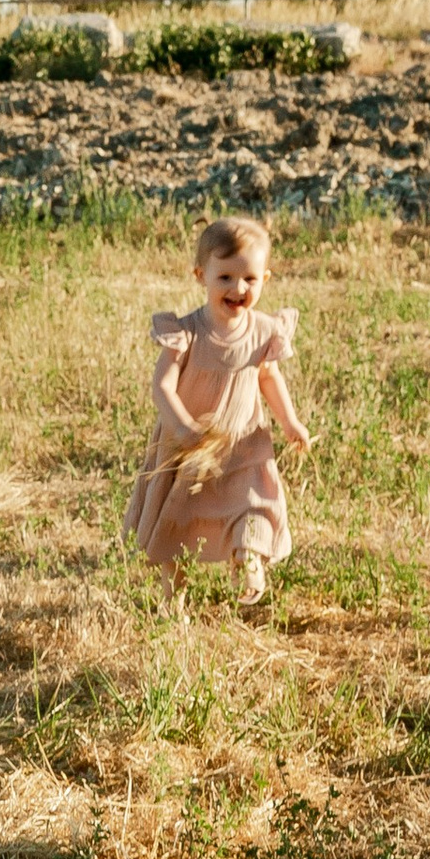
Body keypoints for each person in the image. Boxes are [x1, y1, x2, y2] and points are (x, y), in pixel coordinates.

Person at [123, 212, 312, 608]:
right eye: (225, 277)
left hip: (243, 438)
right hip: (188, 444)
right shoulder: (187, 331)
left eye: (249, 279)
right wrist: (183, 427)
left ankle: (248, 558)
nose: (238, 288)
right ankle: (173, 601)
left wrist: (290, 421)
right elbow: (162, 386)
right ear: (200, 275)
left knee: (254, 501)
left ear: (266, 279)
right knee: (179, 521)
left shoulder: (263, 330)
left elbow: (268, 378)